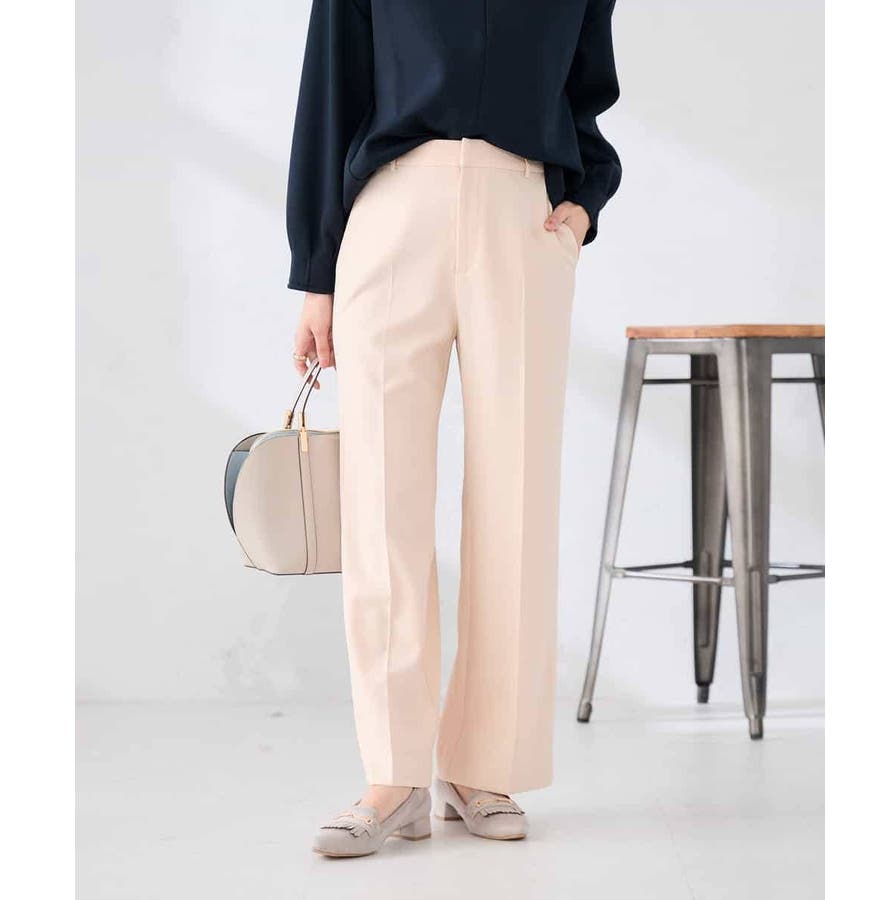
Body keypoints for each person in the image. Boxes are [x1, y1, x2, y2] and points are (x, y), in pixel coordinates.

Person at [286, 0, 621, 858]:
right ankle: (393, 776)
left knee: (517, 493)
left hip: (523, 214)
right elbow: (328, 95)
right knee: (381, 495)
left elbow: (587, 93)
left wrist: (583, 203)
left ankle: (485, 765)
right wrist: (316, 275)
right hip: (393, 209)